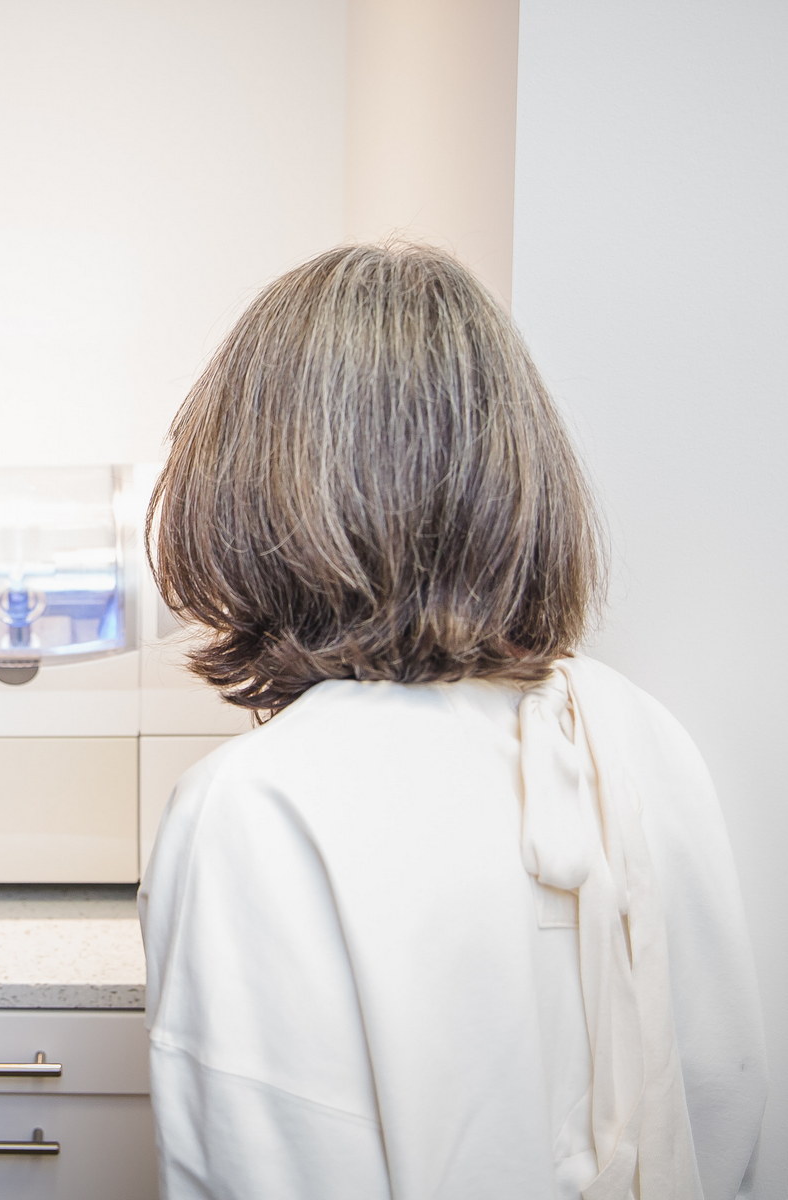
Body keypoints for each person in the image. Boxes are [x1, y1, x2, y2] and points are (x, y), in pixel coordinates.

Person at [138, 243, 766, 1199]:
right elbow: (725, 1106)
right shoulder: (636, 736)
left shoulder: (260, 806)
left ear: (252, 490)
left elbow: (264, 1171)